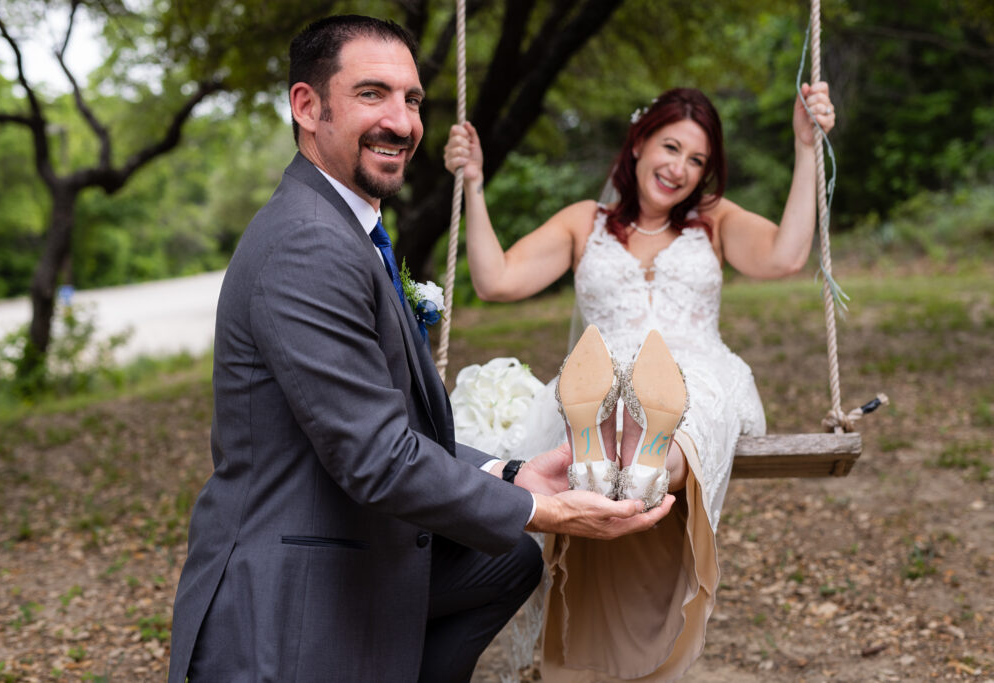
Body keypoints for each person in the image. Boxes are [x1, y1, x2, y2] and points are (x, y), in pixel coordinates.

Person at [167, 15, 674, 683]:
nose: (403, 123)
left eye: (411, 100)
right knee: (514, 540)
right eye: (372, 94)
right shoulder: (306, 243)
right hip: (283, 603)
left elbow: (390, 425)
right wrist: (542, 509)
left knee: (508, 560)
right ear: (307, 106)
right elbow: (376, 454)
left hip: (355, 545)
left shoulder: (348, 228)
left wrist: (510, 473)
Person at [444, 84, 836, 680]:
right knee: (600, 389)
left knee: (691, 397)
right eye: (671, 147)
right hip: (599, 374)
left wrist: (807, 149)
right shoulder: (585, 222)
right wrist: (472, 185)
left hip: (696, 363)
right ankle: (631, 450)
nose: (680, 168)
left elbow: (784, 257)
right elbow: (498, 281)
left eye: (697, 160)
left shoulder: (716, 221)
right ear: (639, 144)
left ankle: (643, 452)